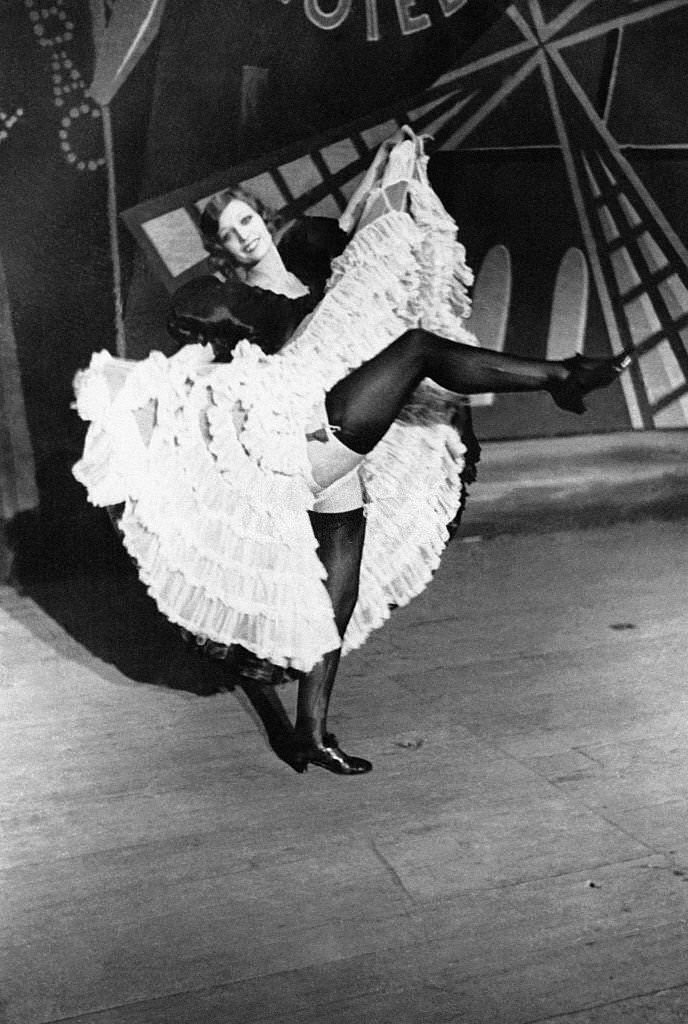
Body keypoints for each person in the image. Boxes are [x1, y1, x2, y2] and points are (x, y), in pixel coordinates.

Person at [73, 128, 631, 776]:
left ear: (264, 217)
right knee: (420, 349)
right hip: (301, 438)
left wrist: (394, 170)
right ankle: (561, 377)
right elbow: (210, 339)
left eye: (247, 220)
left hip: (339, 438)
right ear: (220, 250)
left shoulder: (314, 259)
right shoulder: (231, 302)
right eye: (228, 235)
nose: (244, 236)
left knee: (337, 588)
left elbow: (372, 252)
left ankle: (310, 732)